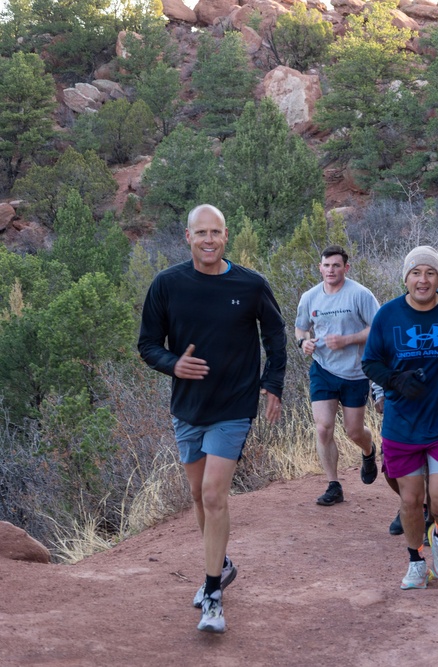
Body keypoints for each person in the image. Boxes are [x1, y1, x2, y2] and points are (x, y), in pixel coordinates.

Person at [138, 204, 286, 634]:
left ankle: (212, 595)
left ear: (226, 235)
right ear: (187, 237)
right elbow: (148, 344)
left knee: (214, 494)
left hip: (234, 406)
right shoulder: (167, 285)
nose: (208, 239)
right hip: (188, 408)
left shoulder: (252, 284)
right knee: (199, 498)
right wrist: (173, 364)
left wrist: (271, 385)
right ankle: (220, 563)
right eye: (200, 232)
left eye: (215, 232)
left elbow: (275, 339)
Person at [361, 246, 438, 590]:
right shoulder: (388, 315)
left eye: (430, 273)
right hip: (403, 422)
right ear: (406, 278)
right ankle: (416, 562)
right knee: (410, 501)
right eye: (416, 273)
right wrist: (394, 380)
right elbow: (371, 362)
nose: (423, 280)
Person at [295, 245, 380, 506]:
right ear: (319, 268)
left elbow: (378, 327)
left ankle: (368, 450)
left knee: (354, 431)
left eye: (336, 265)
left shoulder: (359, 294)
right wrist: (304, 344)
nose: (331, 270)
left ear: (346, 267)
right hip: (323, 370)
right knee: (323, 428)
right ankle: (334, 484)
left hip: (355, 373)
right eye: (326, 265)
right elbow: (301, 330)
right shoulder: (309, 297)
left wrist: (348, 339)